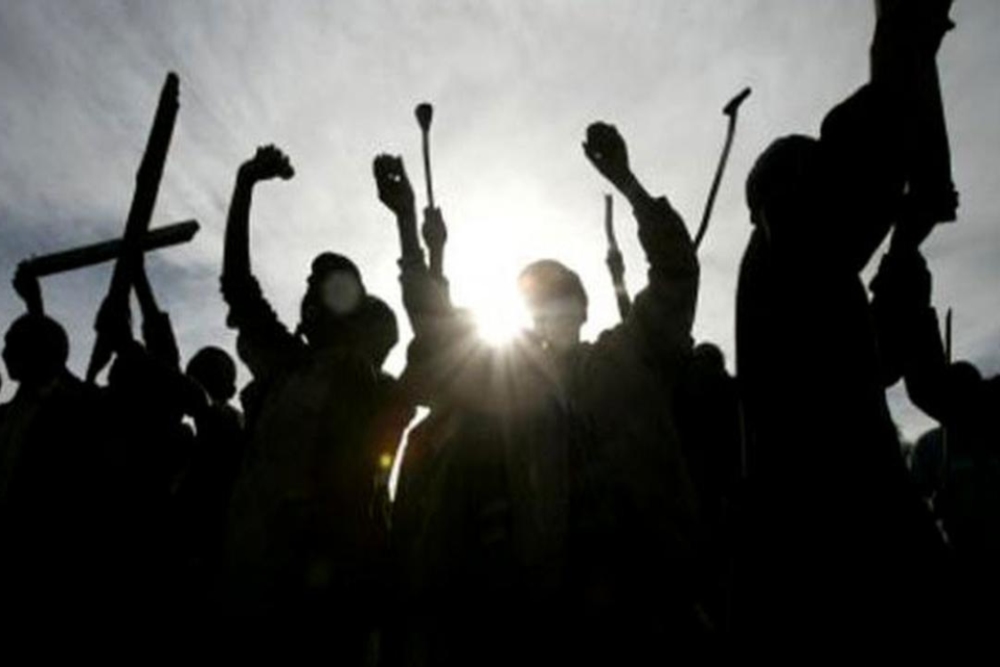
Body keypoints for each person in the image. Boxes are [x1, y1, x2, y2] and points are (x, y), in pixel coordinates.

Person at [375, 120, 703, 663]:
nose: (549, 310)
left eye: (559, 295)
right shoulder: (511, 386)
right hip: (552, 619)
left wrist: (628, 183)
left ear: (583, 306)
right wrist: (409, 226)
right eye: (536, 302)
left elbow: (675, 270)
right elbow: (434, 325)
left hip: (655, 601)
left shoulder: (629, 351)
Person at [734, 0, 953, 644]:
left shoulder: (815, 277)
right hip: (834, 546)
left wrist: (903, 254)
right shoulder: (785, 256)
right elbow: (873, 136)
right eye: (820, 177)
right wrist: (904, 37)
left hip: (842, 535)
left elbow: (870, 368)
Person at [219, 145, 413, 654]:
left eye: (329, 285)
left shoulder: (376, 389)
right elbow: (238, 287)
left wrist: (407, 224)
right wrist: (244, 184)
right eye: (310, 283)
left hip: (328, 607)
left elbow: (437, 339)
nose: (311, 290)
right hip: (246, 589)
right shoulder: (286, 367)